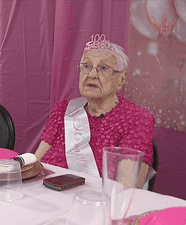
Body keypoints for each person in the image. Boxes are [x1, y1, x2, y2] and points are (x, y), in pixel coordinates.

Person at [34, 34, 155, 188]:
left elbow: (125, 188)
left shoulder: (138, 119)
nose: (91, 74)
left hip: (95, 206)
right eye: (86, 66)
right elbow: (35, 163)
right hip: (46, 196)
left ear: (121, 80)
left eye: (103, 68)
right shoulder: (62, 110)